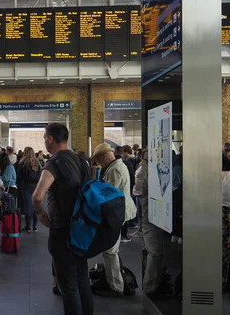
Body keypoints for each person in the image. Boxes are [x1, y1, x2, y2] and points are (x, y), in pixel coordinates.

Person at [33, 123, 94, 315]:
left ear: (50, 138)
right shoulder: (80, 161)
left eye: (45, 138)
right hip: (81, 228)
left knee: (68, 285)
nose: (44, 141)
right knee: (82, 280)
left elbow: (37, 196)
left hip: (62, 231)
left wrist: (40, 213)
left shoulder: (53, 164)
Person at [91, 143, 137, 297]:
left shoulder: (116, 169)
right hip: (118, 213)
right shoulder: (117, 166)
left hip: (117, 214)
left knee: (110, 251)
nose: (99, 163)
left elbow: (109, 194)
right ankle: (114, 282)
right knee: (111, 250)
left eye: (99, 159)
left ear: (104, 156)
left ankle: (116, 286)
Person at [141, 148, 165, 298]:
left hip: (150, 215)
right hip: (151, 215)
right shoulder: (148, 171)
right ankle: (150, 286)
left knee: (151, 250)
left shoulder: (144, 168)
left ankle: (151, 283)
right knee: (155, 251)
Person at [17, 147, 41, 232]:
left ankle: (28, 226)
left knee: (28, 207)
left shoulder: (23, 162)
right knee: (35, 207)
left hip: (26, 187)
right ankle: (35, 226)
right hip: (36, 187)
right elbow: (40, 175)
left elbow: (19, 176)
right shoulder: (37, 162)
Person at [221, 153, 230, 290]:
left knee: (223, 250)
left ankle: (222, 280)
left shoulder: (219, 177)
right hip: (229, 213)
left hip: (222, 214)